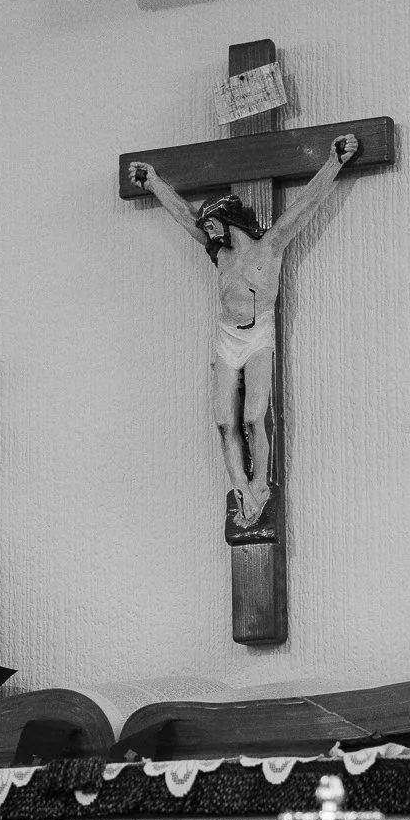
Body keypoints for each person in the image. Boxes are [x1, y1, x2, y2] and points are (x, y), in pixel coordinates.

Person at [128, 132, 359, 528]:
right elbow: (185, 216)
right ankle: (240, 488)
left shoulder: (270, 247)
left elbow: (304, 206)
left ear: (227, 219)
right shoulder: (220, 256)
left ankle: (260, 483)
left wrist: (335, 162)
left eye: (213, 224)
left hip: (257, 340)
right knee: (223, 421)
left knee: (254, 417)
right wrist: (154, 183)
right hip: (226, 340)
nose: (208, 232)